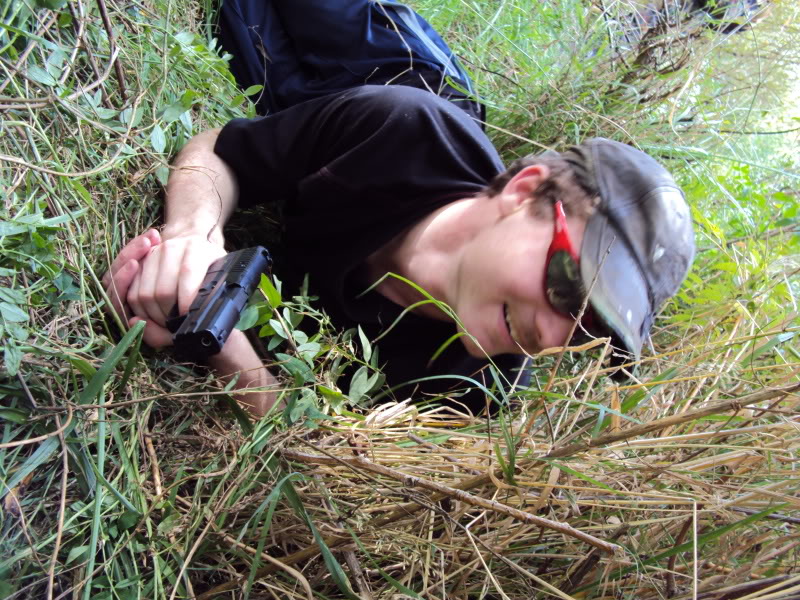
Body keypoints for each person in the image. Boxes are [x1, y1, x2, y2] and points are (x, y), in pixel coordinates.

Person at [103, 0, 695, 417]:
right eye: (567, 284)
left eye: (591, 328)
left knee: (243, 24)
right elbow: (219, 153)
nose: (551, 333)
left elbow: (314, 466)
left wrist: (225, 346)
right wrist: (191, 234)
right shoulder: (404, 128)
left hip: (312, 115)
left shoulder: (476, 390)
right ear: (524, 192)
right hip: (396, 72)